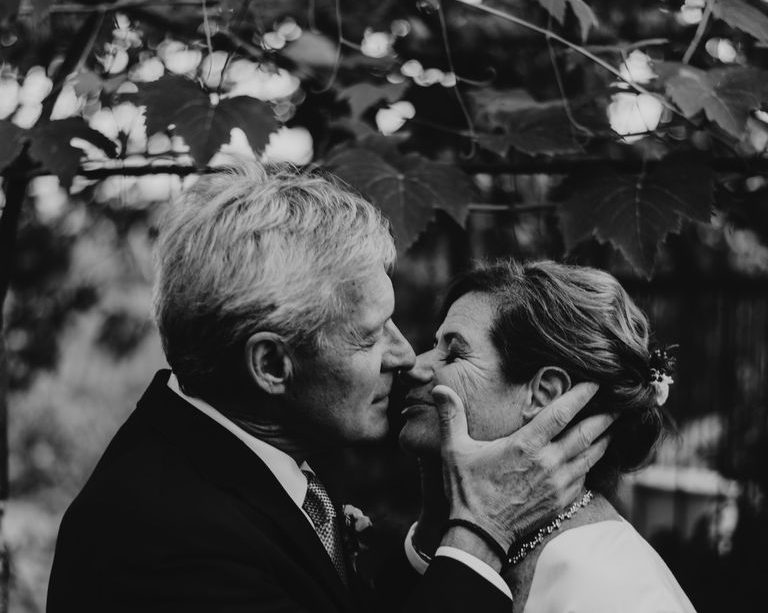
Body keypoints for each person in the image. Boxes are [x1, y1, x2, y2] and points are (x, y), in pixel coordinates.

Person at [47, 161, 611, 613]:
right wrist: (484, 529)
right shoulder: (163, 542)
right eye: (369, 338)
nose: (404, 356)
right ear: (271, 364)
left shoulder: (252, 449)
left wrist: (438, 531)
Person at [399, 259, 697, 613]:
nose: (413, 366)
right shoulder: (503, 542)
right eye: (434, 345)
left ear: (543, 394)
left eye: (453, 353)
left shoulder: (612, 593)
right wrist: (436, 532)